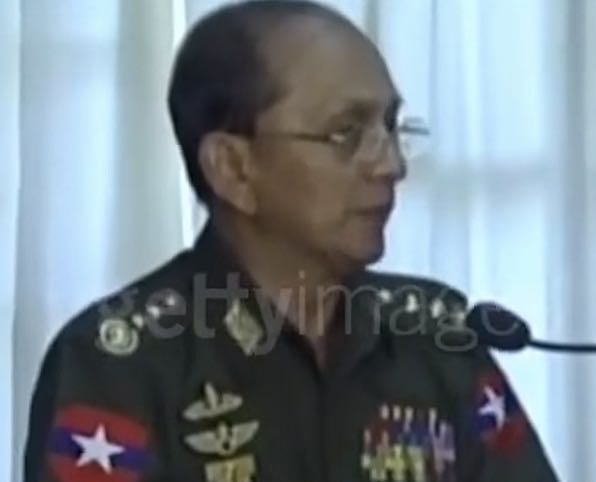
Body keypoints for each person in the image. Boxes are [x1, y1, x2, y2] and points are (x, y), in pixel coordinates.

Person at [24, 1, 559, 481]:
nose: (392, 165)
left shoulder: (437, 336)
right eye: (345, 133)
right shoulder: (119, 366)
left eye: (392, 126)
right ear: (233, 168)